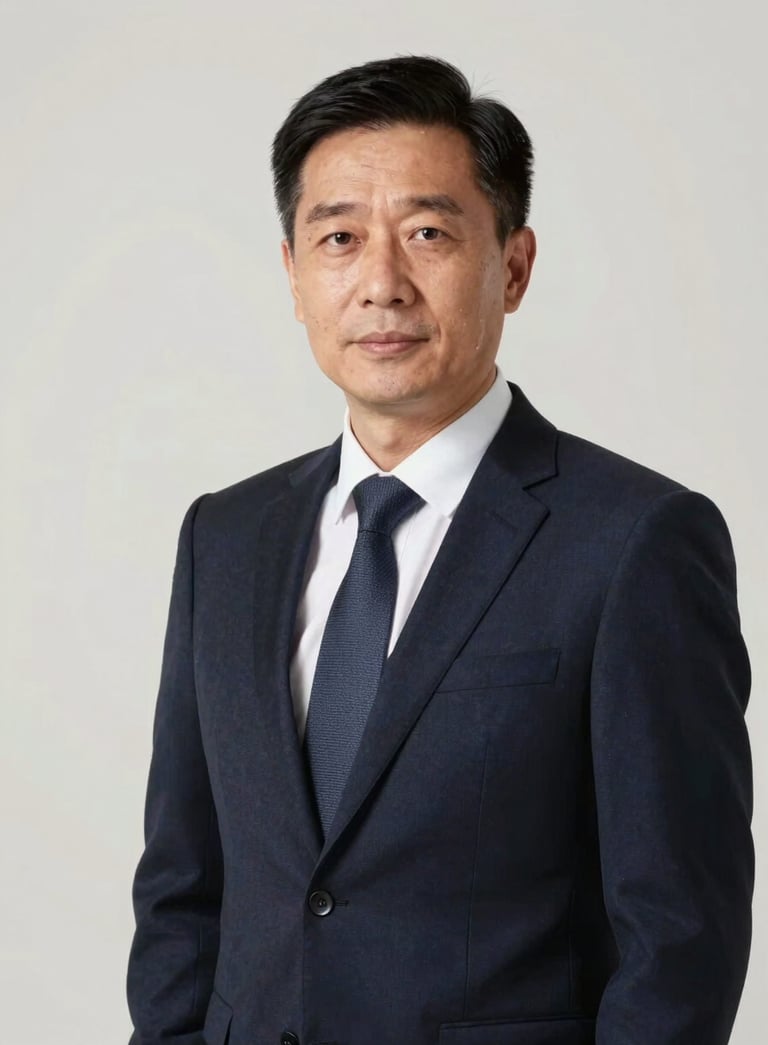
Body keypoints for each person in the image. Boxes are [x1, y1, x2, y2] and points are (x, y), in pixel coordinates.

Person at [126, 56, 753, 1045]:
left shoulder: (635, 540)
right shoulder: (227, 536)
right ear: (294, 274)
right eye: (339, 237)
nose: (381, 282)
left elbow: (680, 931)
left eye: (427, 233)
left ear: (512, 262)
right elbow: (183, 885)